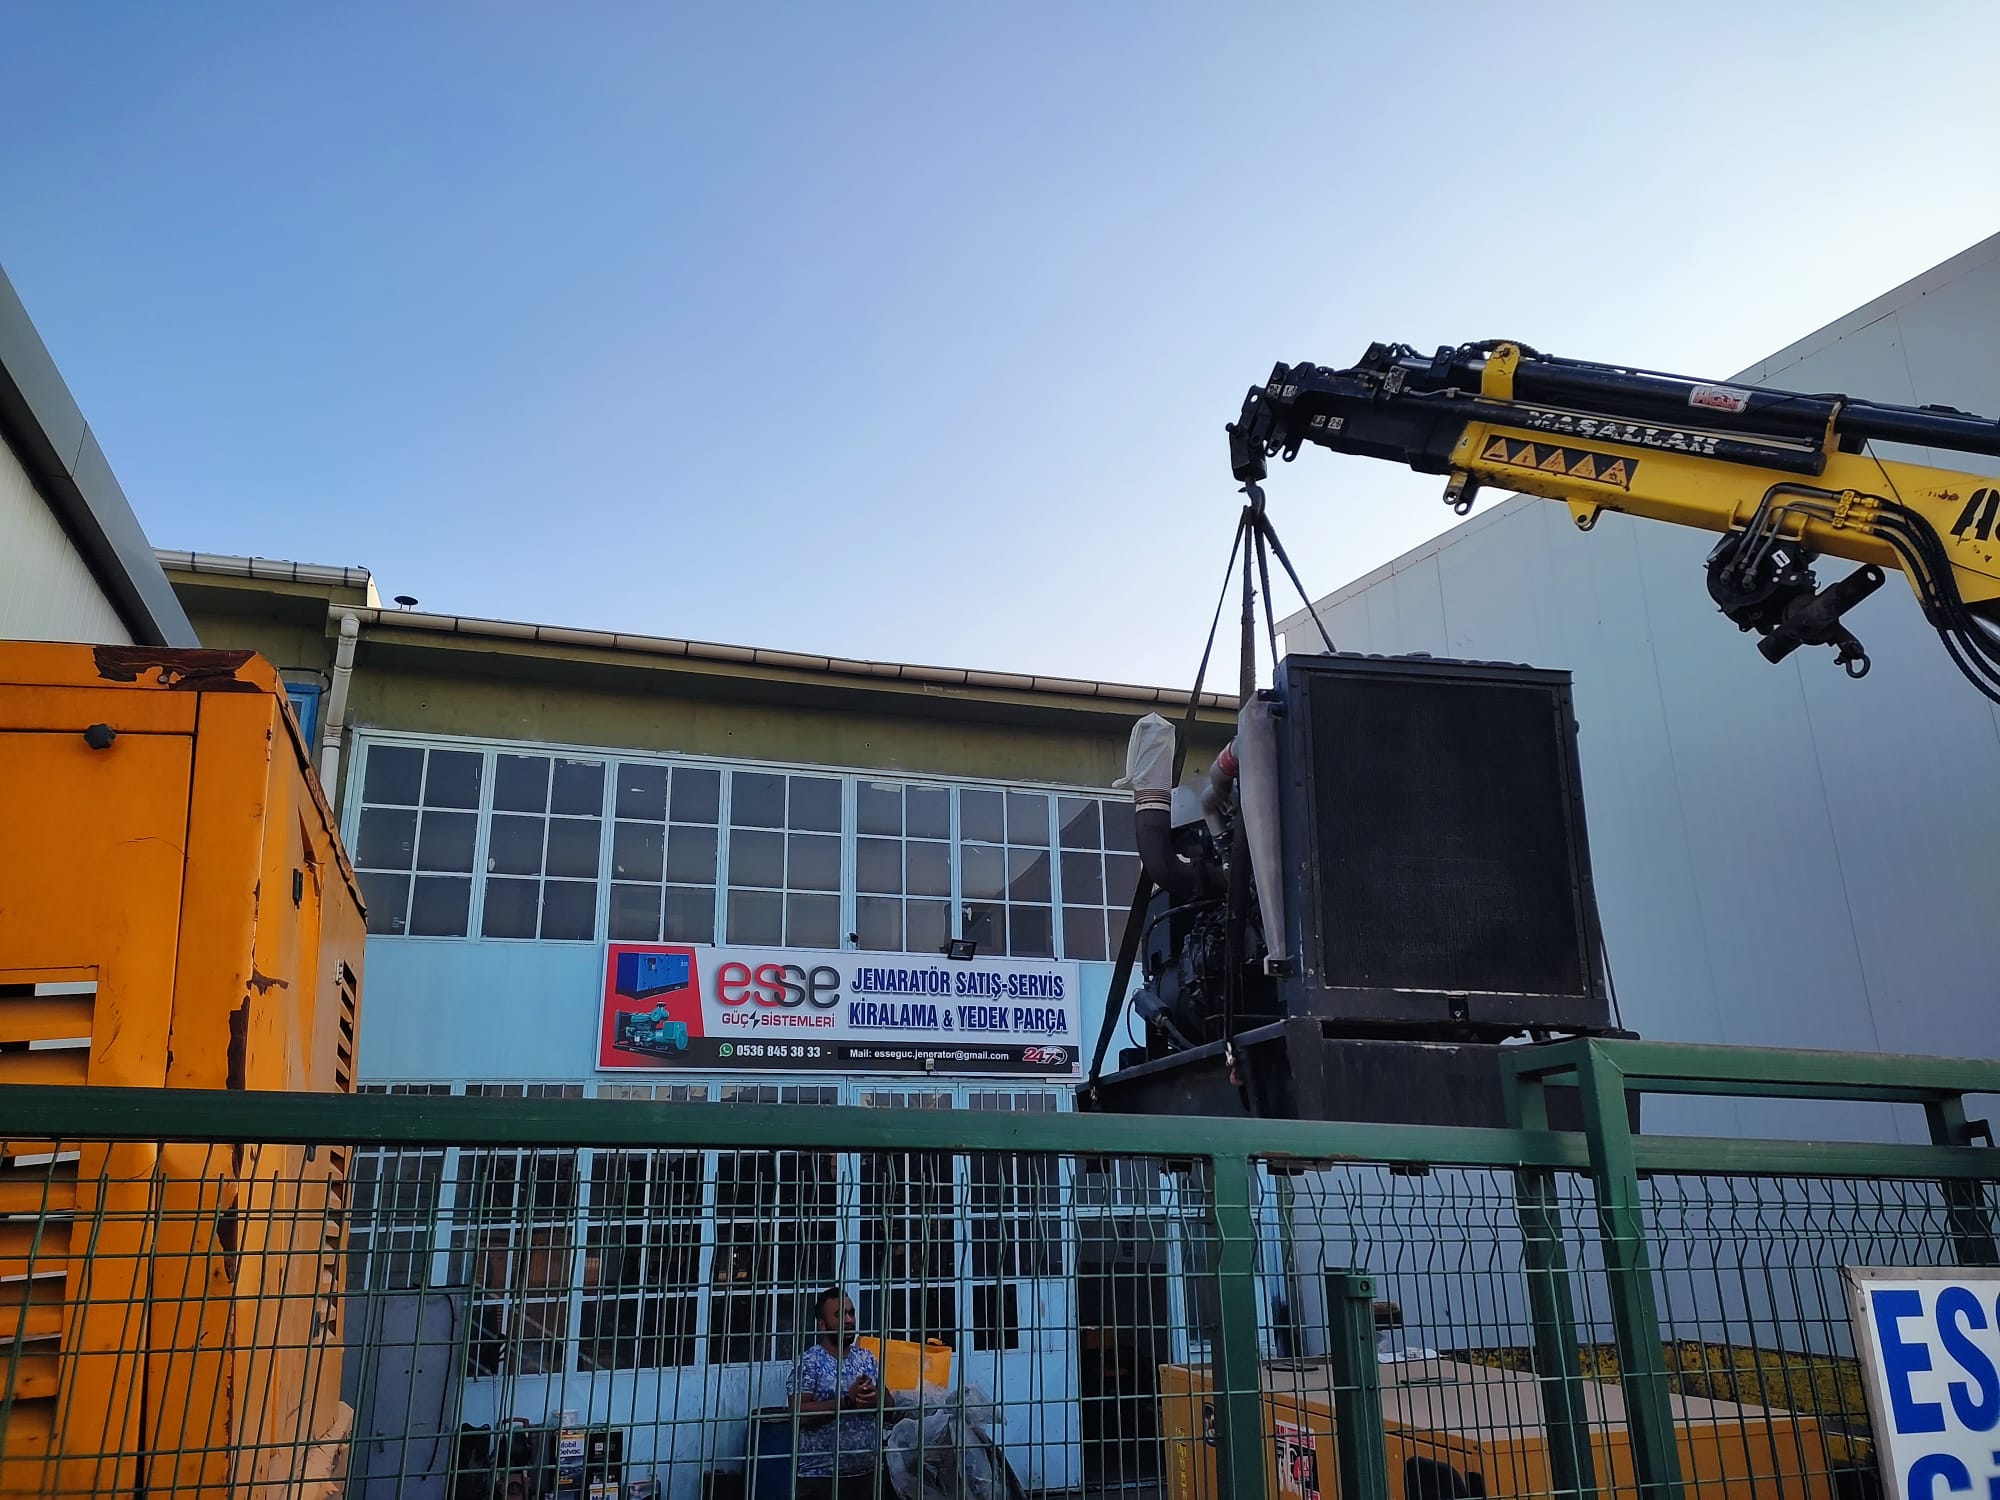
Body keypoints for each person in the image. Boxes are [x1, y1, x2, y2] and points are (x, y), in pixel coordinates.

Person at [788, 1287, 882, 1497]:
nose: (849, 1320)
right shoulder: (810, 1362)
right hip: (821, 1479)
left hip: (867, 1475)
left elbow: (889, 1403)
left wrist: (876, 1398)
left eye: (851, 1313)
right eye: (840, 1315)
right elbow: (798, 1414)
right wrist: (847, 1400)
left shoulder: (866, 1358)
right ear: (822, 1324)